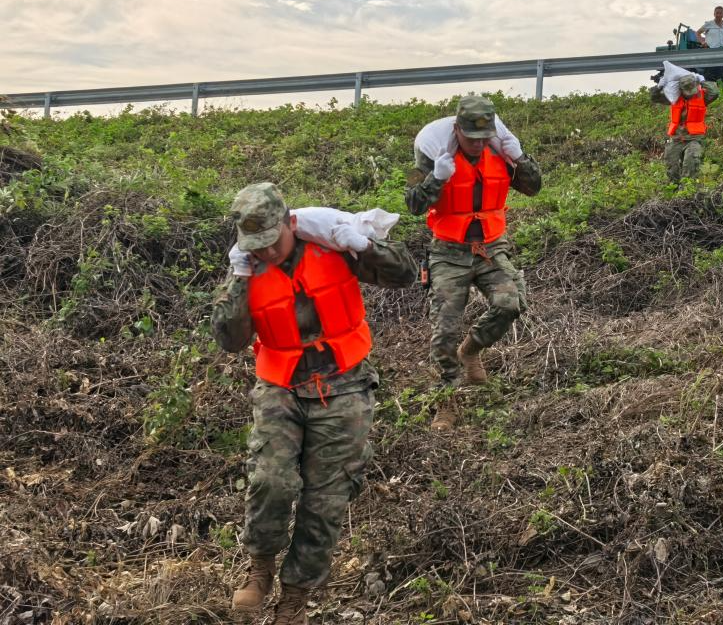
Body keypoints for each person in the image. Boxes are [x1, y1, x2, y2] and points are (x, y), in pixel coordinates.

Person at [212, 182, 417, 624]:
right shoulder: (246, 267)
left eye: (272, 241)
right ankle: (260, 567)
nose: (266, 252)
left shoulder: (332, 243)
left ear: (290, 223)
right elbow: (229, 340)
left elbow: (405, 275)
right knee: (270, 480)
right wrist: (238, 280)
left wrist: (364, 245)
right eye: (256, 246)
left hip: (344, 383)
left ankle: (294, 599)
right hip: (280, 385)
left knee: (326, 498)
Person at [405, 96, 541, 431]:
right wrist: (435, 177)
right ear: (457, 130)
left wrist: (520, 158)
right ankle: (447, 403)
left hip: (491, 247)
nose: (478, 144)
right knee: (444, 330)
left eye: (484, 137)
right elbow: (413, 205)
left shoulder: (500, 152)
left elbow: (534, 188)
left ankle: (471, 349)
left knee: (512, 303)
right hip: (449, 252)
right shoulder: (433, 155)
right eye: (471, 138)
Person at [656, 73, 720, 183]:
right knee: (671, 167)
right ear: (681, 90)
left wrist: (702, 80)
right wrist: (658, 87)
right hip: (676, 138)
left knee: (690, 163)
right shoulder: (673, 96)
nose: (691, 94)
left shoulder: (702, 96)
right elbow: (656, 97)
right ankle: (673, 191)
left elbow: (715, 92)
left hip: (694, 139)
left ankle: (686, 192)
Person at [696, 6, 723, 82]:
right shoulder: (709, 24)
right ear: (714, 14)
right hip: (712, 52)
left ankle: (722, 90)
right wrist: (702, 42)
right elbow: (698, 33)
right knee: (710, 74)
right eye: (717, 13)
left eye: (720, 13)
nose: (718, 15)